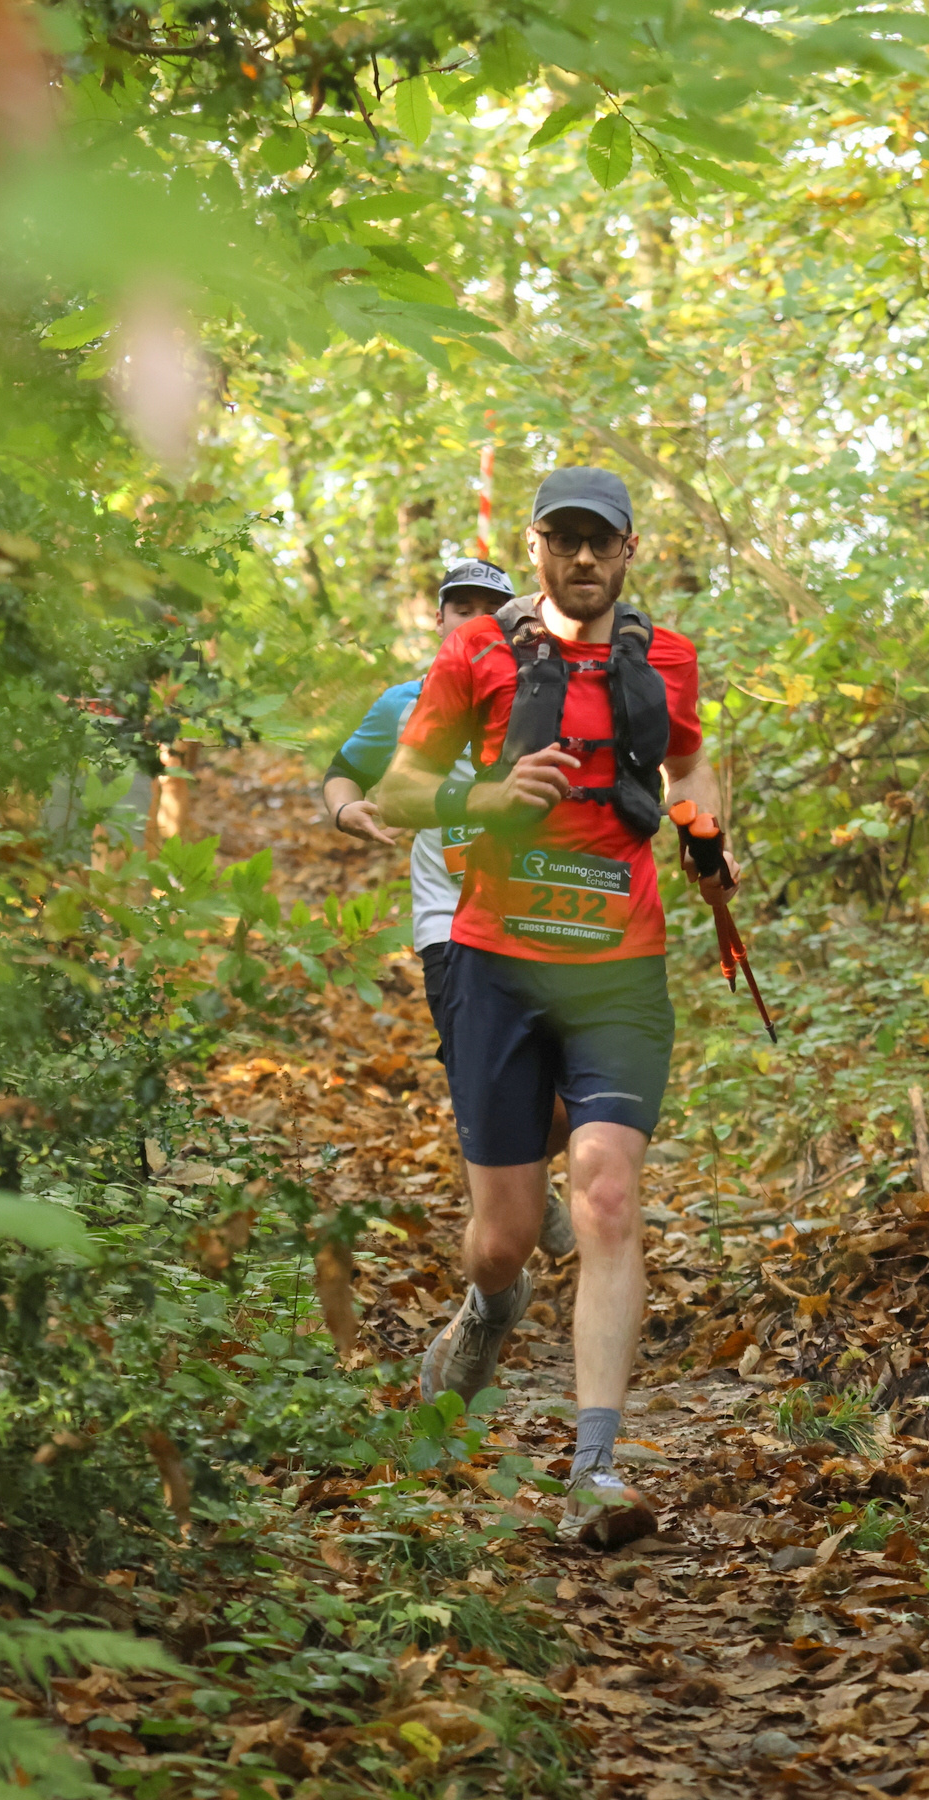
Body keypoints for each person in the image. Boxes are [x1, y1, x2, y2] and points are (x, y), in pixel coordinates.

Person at [377, 468, 738, 1548]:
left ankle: (594, 1470)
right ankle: (489, 1309)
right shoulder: (476, 651)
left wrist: (703, 831)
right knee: (504, 1239)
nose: (583, 558)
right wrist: (486, 796)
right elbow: (401, 789)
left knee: (607, 1195)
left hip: (620, 967)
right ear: (534, 548)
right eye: (563, 539)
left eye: (601, 541)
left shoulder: (665, 657)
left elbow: (689, 760)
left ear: (629, 551)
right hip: (498, 964)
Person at [321, 558, 576, 1259]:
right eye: (460, 607)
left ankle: (526, 1173)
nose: (474, 618)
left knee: (562, 1105)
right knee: (484, 1095)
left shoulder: (544, 691)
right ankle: (497, 1274)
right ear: (439, 619)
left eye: (489, 607)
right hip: (449, 923)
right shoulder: (402, 703)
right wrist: (345, 811)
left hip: (536, 913)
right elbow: (342, 771)